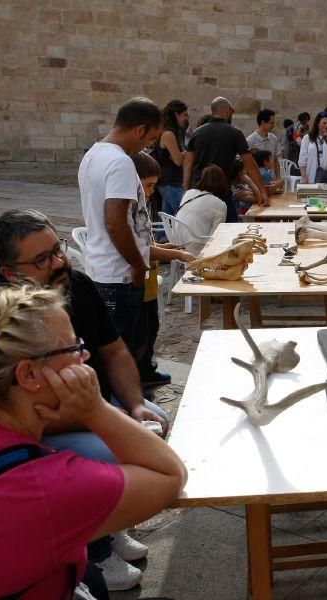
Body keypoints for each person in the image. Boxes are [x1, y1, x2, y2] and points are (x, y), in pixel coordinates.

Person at [0, 285, 186, 597]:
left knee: (91, 577)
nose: (85, 355)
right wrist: (95, 409)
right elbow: (170, 474)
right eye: (73, 348)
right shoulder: (45, 487)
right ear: (29, 375)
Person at [0, 209, 172, 590]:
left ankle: (113, 523)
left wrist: (134, 405)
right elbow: (22, 414)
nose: (58, 263)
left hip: (90, 404)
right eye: (42, 260)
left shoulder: (77, 284)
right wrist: (105, 419)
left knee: (155, 416)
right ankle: (96, 551)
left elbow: (115, 351)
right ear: (9, 273)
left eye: (58, 250)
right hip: (41, 423)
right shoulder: (4, 319)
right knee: (110, 451)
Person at [78, 97, 160, 359]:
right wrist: (137, 264)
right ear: (139, 130)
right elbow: (115, 222)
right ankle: (126, 398)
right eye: (151, 138)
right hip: (119, 271)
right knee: (123, 348)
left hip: (103, 266)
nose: (149, 146)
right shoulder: (121, 162)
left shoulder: (92, 155)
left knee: (117, 343)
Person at [131, 152, 196, 388]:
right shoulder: (127, 207)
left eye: (153, 186)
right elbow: (141, 249)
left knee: (151, 328)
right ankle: (140, 374)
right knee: (140, 334)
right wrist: (176, 254)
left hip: (149, 278)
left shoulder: (142, 203)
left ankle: (148, 369)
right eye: (147, 186)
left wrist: (163, 246)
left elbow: (147, 244)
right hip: (140, 275)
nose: (150, 191)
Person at [182, 96, 268, 207]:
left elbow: (188, 164)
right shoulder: (235, 133)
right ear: (227, 109)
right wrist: (262, 192)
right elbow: (251, 165)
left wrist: (186, 191)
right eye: (232, 111)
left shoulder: (197, 133)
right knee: (230, 223)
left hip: (198, 191)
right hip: (221, 191)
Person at [177, 165, 229, 255]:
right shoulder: (220, 205)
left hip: (177, 240)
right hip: (196, 246)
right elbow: (215, 236)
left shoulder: (189, 193)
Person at [155, 99, 190, 216]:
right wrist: (184, 154)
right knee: (183, 217)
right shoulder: (168, 134)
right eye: (184, 115)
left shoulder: (169, 133)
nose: (187, 118)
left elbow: (176, 157)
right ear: (176, 114)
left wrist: (180, 154)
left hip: (168, 183)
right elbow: (178, 161)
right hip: (171, 183)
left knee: (167, 222)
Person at [298, 111, 327, 185]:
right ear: (317, 123)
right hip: (310, 175)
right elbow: (302, 159)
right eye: (324, 123)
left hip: (326, 177)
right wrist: (304, 177)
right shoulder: (307, 138)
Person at [246, 108, 282, 179]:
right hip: (257, 180)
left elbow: (275, 160)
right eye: (271, 123)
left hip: (272, 180)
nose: (273, 125)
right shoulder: (250, 141)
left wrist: (278, 177)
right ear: (262, 123)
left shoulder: (273, 138)